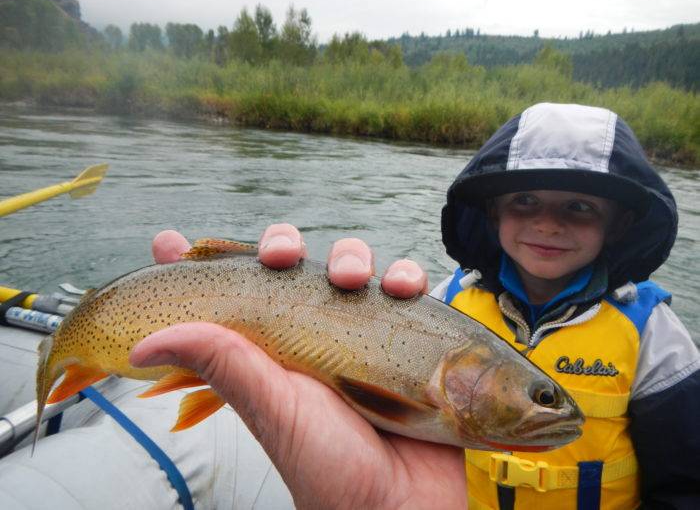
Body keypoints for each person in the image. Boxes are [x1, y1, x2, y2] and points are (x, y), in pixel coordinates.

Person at [130, 103, 700, 509]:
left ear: (620, 222)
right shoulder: (441, 302)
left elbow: (684, 485)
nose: (547, 222)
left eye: (579, 206)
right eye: (525, 200)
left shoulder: (657, 336)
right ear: (493, 211)